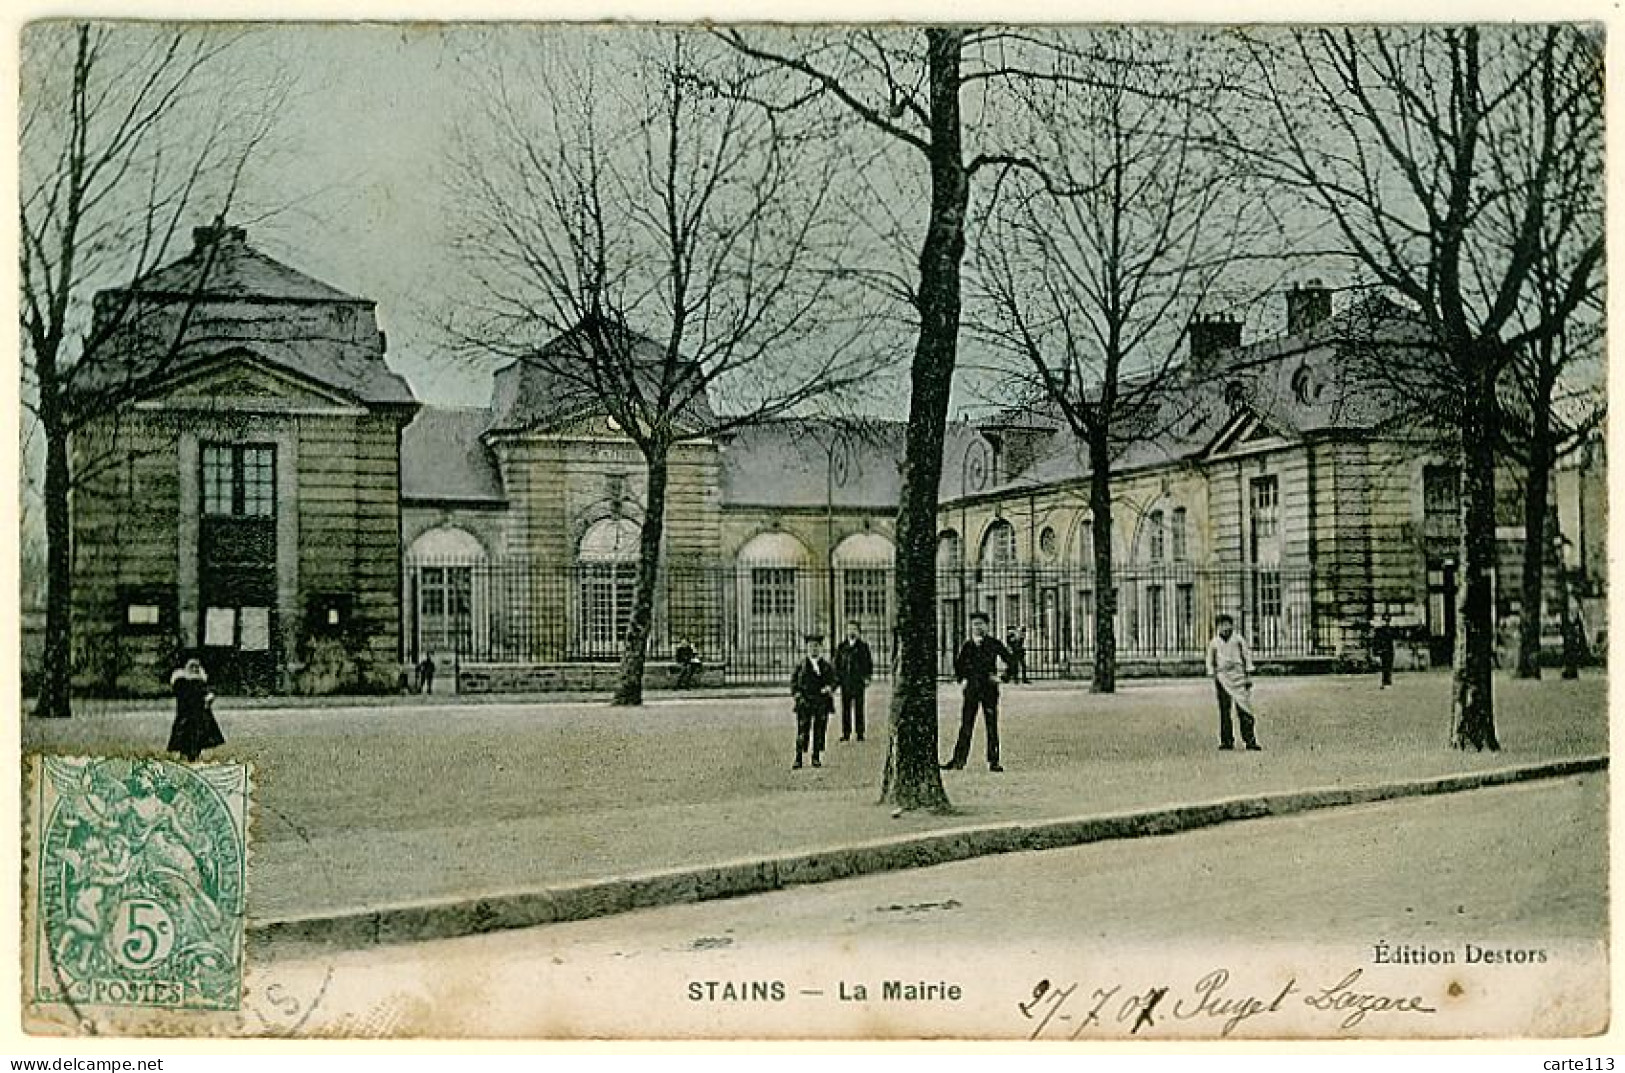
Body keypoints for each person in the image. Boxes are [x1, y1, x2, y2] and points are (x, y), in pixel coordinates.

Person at [944, 611, 1013, 772]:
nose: (978, 627)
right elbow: (959, 665)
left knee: (991, 725)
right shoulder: (968, 646)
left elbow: (1011, 660)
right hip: (972, 690)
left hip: (989, 690)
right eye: (975, 624)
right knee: (966, 725)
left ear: (987, 626)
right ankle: (958, 760)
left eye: (981, 624)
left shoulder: (994, 644)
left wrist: (1002, 678)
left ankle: (994, 761)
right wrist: (963, 679)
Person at [1205, 614, 1261, 751]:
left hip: (1238, 676)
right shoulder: (1214, 642)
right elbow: (1210, 660)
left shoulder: (1238, 640)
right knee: (1225, 710)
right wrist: (1212, 673)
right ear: (1218, 627)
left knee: (1244, 709)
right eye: (1222, 625)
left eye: (1227, 624)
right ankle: (1226, 740)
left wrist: (1248, 675)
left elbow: (1246, 657)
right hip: (1222, 678)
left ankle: (1250, 740)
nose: (1225, 628)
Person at [790, 633, 836, 770]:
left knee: (819, 729)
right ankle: (798, 758)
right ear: (807, 649)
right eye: (810, 647)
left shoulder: (826, 666)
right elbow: (794, 684)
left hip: (821, 702)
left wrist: (829, 688)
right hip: (805, 701)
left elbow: (833, 680)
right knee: (802, 730)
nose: (813, 649)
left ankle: (816, 757)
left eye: (816, 646)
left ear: (821, 648)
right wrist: (798, 696)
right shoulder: (801, 666)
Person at [167, 657, 225, 763]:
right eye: (192, 667)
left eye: (196, 667)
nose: (194, 669)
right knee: (188, 733)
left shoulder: (195, 681)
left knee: (194, 734)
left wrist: (208, 698)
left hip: (195, 714)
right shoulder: (183, 681)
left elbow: (204, 693)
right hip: (188, 713)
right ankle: (188, 754)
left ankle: (192, 755)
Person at [834, 620, 874, 742]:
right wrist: (836, 680)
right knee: (845, 708)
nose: (851, 631)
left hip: (858, 682)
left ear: (858, 631)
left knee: (859, 708)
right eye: (849, 629)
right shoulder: (841, 647)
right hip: (846, 682)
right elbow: (837, 664)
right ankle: (846, 733)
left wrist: (867, 677)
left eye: (854, 629)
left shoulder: (863, 647)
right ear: (846, 631)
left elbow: (868, 664)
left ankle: (860, 732)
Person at [1372, 612, 1396, 688]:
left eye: (1387, 621)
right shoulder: (1379, 630)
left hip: (1389, 651)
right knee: (1384, 667)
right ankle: (1385, 682)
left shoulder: (1391, 630)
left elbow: (1393, 640)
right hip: (1383, 650)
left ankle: (1388, 682)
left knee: (1389, 667)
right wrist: (1376, 651)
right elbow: (1376, 641)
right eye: (1385, 620)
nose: (1386, 622)